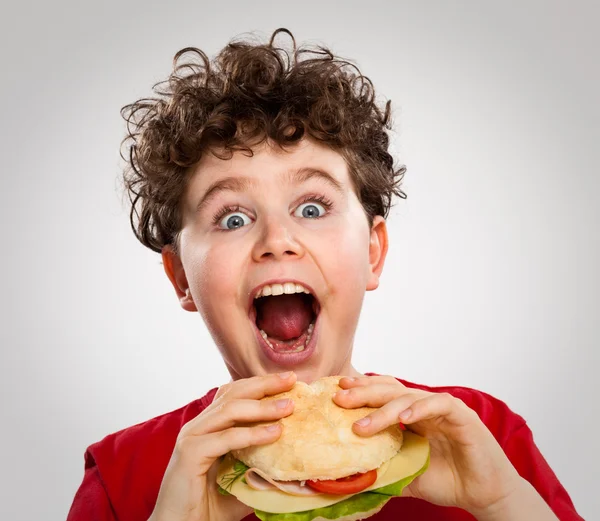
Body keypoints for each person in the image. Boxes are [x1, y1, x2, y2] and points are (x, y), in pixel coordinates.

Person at [67, 29, 584, 521]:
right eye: (233, 218)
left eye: (312, 209)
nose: (277, 241)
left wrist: (502, 503)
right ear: (180, 276)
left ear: (373, 253)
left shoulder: (481, 435)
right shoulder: (123, 475)